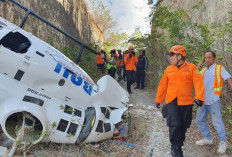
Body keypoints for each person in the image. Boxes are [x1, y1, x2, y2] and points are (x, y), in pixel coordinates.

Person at [155, 45, 205, 157]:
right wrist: (159, 100)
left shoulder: (192, 68)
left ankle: (179, 142)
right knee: (175, 124)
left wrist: (199, 98)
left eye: (172, 55)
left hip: (186, 101)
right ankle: (175, 146)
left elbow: (198, 83)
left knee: (184, 124)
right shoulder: (168, 69)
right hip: (172, 100)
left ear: (179, 56)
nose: (170, 58)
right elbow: (162, 85)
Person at [195, 51, 232, 154]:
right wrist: (198, 67)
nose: (207, 59)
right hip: (202, 101)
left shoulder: (219, 68)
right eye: (206, 58)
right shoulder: (203, 70)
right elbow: (195, 78)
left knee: (217, 122)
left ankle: (223, 142)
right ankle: (208, 138)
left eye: (210, 57)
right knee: (199, 120)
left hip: (214, 100)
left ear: (214, 58)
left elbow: (228, 79)